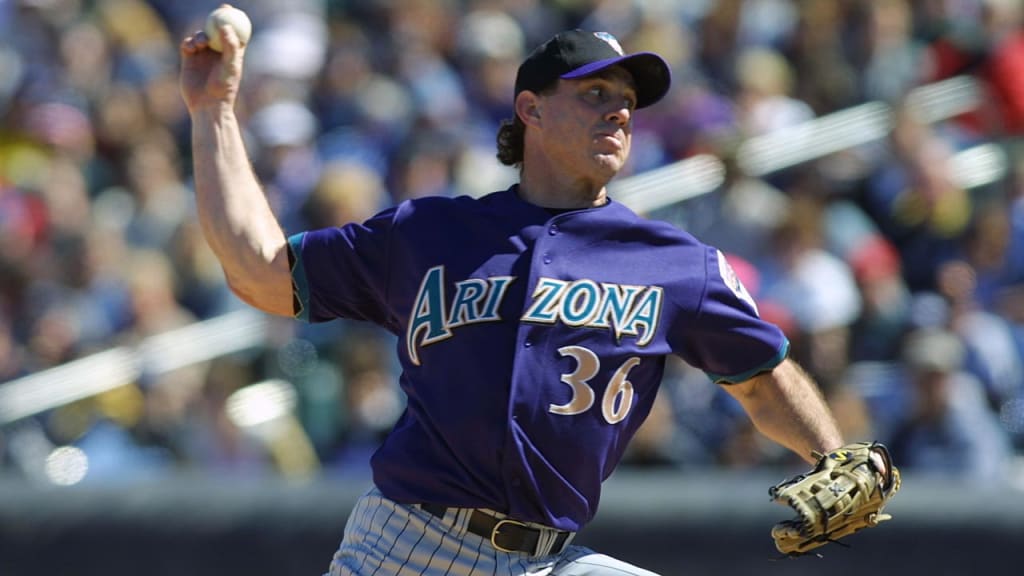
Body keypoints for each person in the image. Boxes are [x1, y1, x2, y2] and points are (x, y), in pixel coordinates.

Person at [181, 24, 859, 576]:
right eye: (595, 93)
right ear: (530, 110)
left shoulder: (677, 265)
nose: (618, 109)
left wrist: (834, 455)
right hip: (410, 547)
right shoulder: (429, 233)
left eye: (625, 97)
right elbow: (260, 272)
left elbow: (764, 382)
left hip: (547, 561)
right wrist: (213, 111)